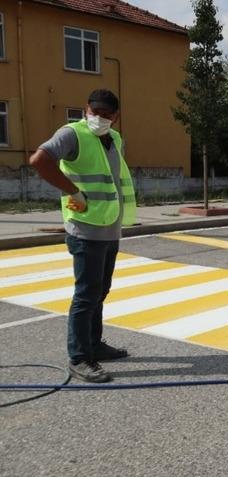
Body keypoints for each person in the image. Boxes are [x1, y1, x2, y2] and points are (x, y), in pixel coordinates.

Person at [28, 89, 136, 383]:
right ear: (86, 109)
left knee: (100, 292)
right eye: (95, 111)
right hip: (85, 228)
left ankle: (95, 345)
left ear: (116, 116)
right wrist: (73, 191)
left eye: (106, 114)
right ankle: (79, 357)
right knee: (86, 295)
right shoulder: (71, 133)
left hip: (109, 226)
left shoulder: (115, 139)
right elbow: (39, 160)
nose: (99, 118)